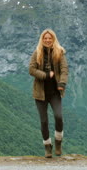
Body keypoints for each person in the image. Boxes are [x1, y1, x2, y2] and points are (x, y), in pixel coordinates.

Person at [29, 29, 68, 158]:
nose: (47, 40)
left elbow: (64, 69)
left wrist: (62, 83)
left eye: (49, 38)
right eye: (45, 38)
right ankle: (47, 146)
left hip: (55, 93)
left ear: (53, 39)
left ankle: (58, 142)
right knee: (44, 121)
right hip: (40, 93)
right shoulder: (37, 53)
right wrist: (46, 75)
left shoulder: (59, 53)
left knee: (58, 117)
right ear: (42, 39)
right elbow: (31, 70)